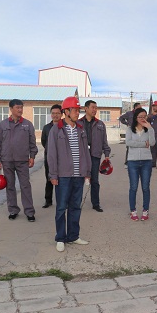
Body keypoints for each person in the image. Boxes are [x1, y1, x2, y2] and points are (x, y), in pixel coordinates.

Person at [47, 96, 91, 252]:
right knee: (61, 208)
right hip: (63, 176)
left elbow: (85, 151)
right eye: (74, 110)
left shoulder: (81, 128)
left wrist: (87, 171)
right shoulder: (56, 129)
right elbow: (51, 154)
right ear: (66, 111)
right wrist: (53, 175)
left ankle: (73, 236)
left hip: (78, 175)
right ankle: (60, 238)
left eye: (78, 110)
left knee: (75, 207)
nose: (77, 113)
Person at [0, 99, 38, 222]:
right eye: (17, 107)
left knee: (25, 186)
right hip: (7, 160)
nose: (20, 110)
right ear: (11, 109)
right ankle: (13, 210)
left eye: (21, 107)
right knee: (10, 186)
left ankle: (29, 212)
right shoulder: (3, 125)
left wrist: (32, 156)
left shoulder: (28, 125)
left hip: (22, 161)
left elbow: (32, 142)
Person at [80, 99, 111, 212]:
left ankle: (96, 204)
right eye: (93, 107)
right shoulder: (78, 123)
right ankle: (76, 202)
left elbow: (104, 141)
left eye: (96, 108)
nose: (95, 110)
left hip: (95, 155)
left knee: (95, 181)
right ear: (86, 108)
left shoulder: (100, 124)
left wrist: (106, 154)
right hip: (82, 156)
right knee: (79, 180)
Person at [126, 107, 155, 221]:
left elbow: (152, 143)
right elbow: (128, 142)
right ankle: (133, 211)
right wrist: (143, 144)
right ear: (135, 118)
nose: (143, 118)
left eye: (144, 116)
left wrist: (150, 128)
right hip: (132, 161)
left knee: (145, 187)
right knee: (133, 187)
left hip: (146, 161)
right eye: (140, 117)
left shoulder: (149, 129)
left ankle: (145, 211)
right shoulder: (130, 129)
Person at [41, 104, 62, 208]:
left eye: (58, 113)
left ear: (62, 114)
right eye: (53, 113)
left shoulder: (64, 127)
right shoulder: (46, 128)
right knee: (49, 179)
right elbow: (43, 141)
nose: (55, 115)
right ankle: (48, 201)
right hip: (49, 158)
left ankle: (62, 201)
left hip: (62, 158)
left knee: (62, 181)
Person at [119, 103, 138, 168]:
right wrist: (127, 123)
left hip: (138, 132)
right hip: (130, 131)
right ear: (135, 107)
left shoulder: (140, 114)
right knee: (129, 147)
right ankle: (127, 163)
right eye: (139, 107)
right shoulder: (129, 113)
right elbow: (121, 118)